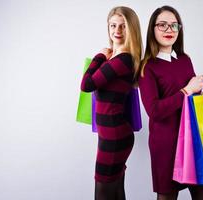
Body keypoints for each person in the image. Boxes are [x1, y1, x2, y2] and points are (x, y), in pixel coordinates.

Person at [138, 5, 203, 200]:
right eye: (162, 25)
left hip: (193, 142)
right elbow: (154, 111)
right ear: (152, 30)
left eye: (174, 25)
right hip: (166, 145)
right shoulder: (148, 67)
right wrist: (187, 90)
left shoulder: (185, 60)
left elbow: (193, 100)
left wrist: (200, 89)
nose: (169, 30)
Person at [80, 6, 142, 200]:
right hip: (111, 135)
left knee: (102, 193)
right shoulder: (117, 58)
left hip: (115, 137)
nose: (117, 31)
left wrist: (99, 56)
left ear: (131, 30)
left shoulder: (121, 60)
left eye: (123, 26)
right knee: (115, 192)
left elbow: (87, 84)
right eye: (113, 25)